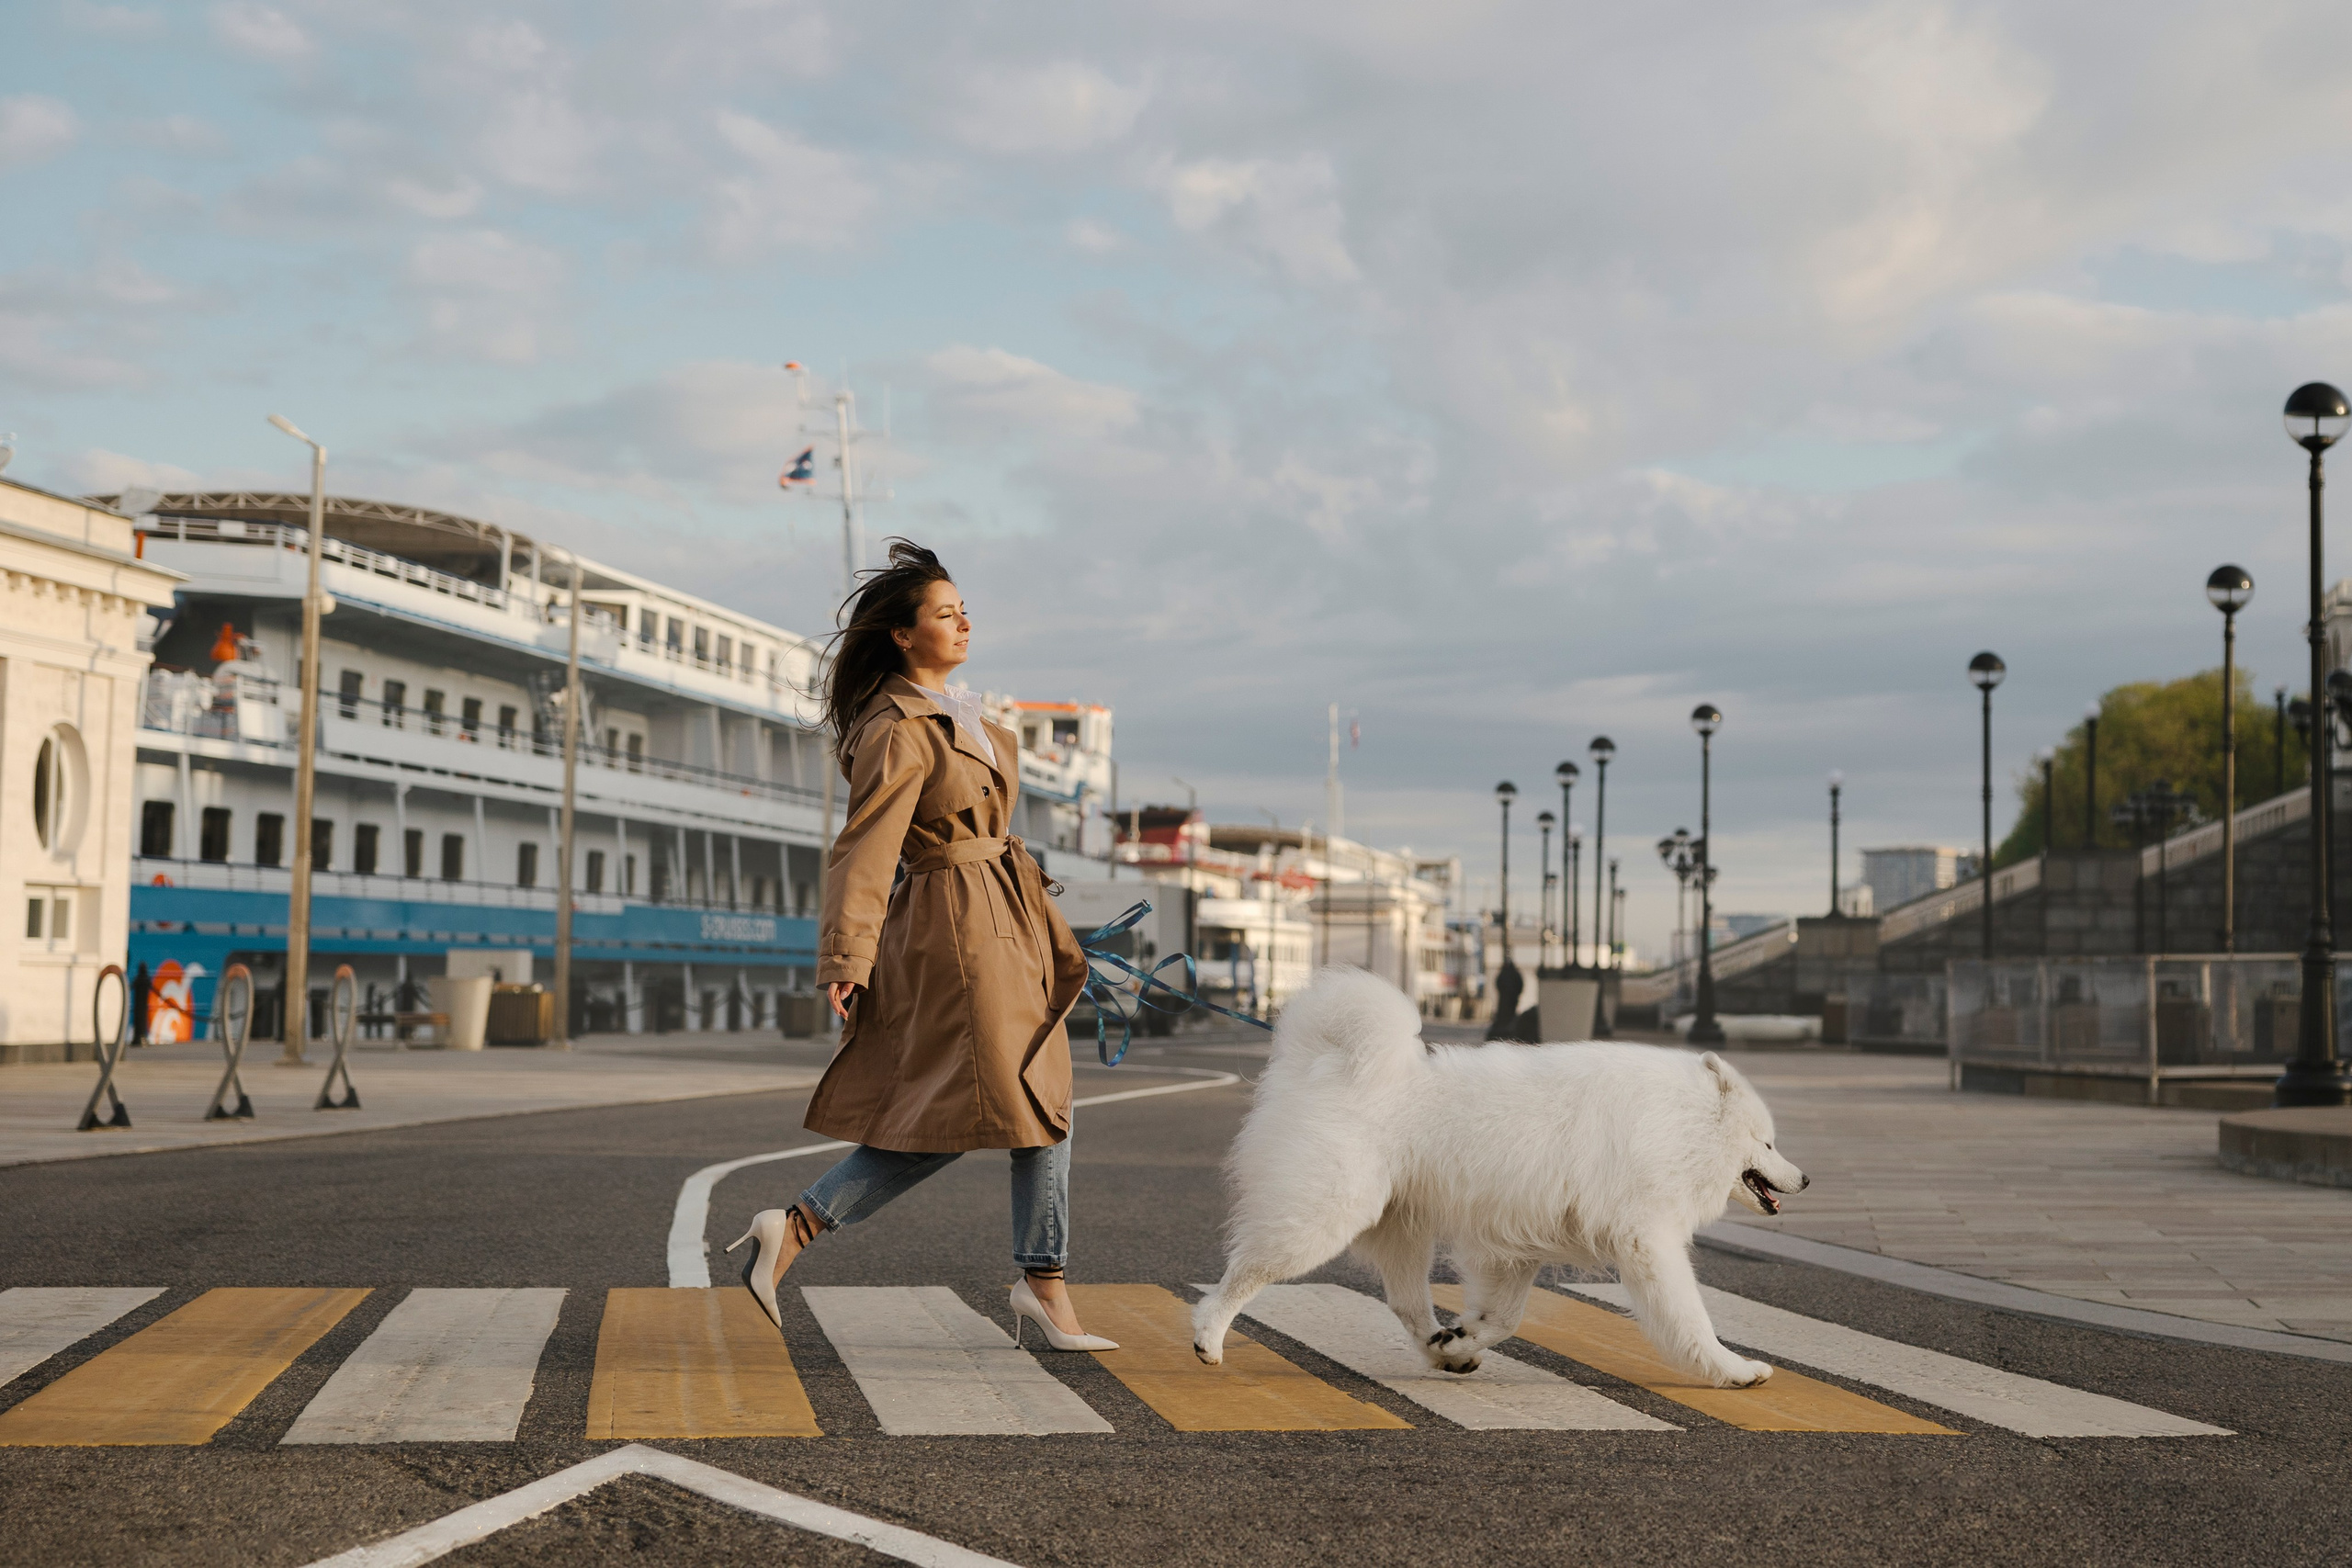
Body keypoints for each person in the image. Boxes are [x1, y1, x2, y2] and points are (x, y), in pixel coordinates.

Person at [727, 540, 1114, 1351]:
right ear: (903, 635)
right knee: (1019, 1101)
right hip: (958, 932)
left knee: (1017, 1102)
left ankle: (799, 1229)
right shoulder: (897, 728)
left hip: (1003, 918)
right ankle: (1038, 1281)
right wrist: (846, 955)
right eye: (945, 612)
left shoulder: (964, 716)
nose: (964, 621)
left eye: (965, 609)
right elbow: (866, 847)